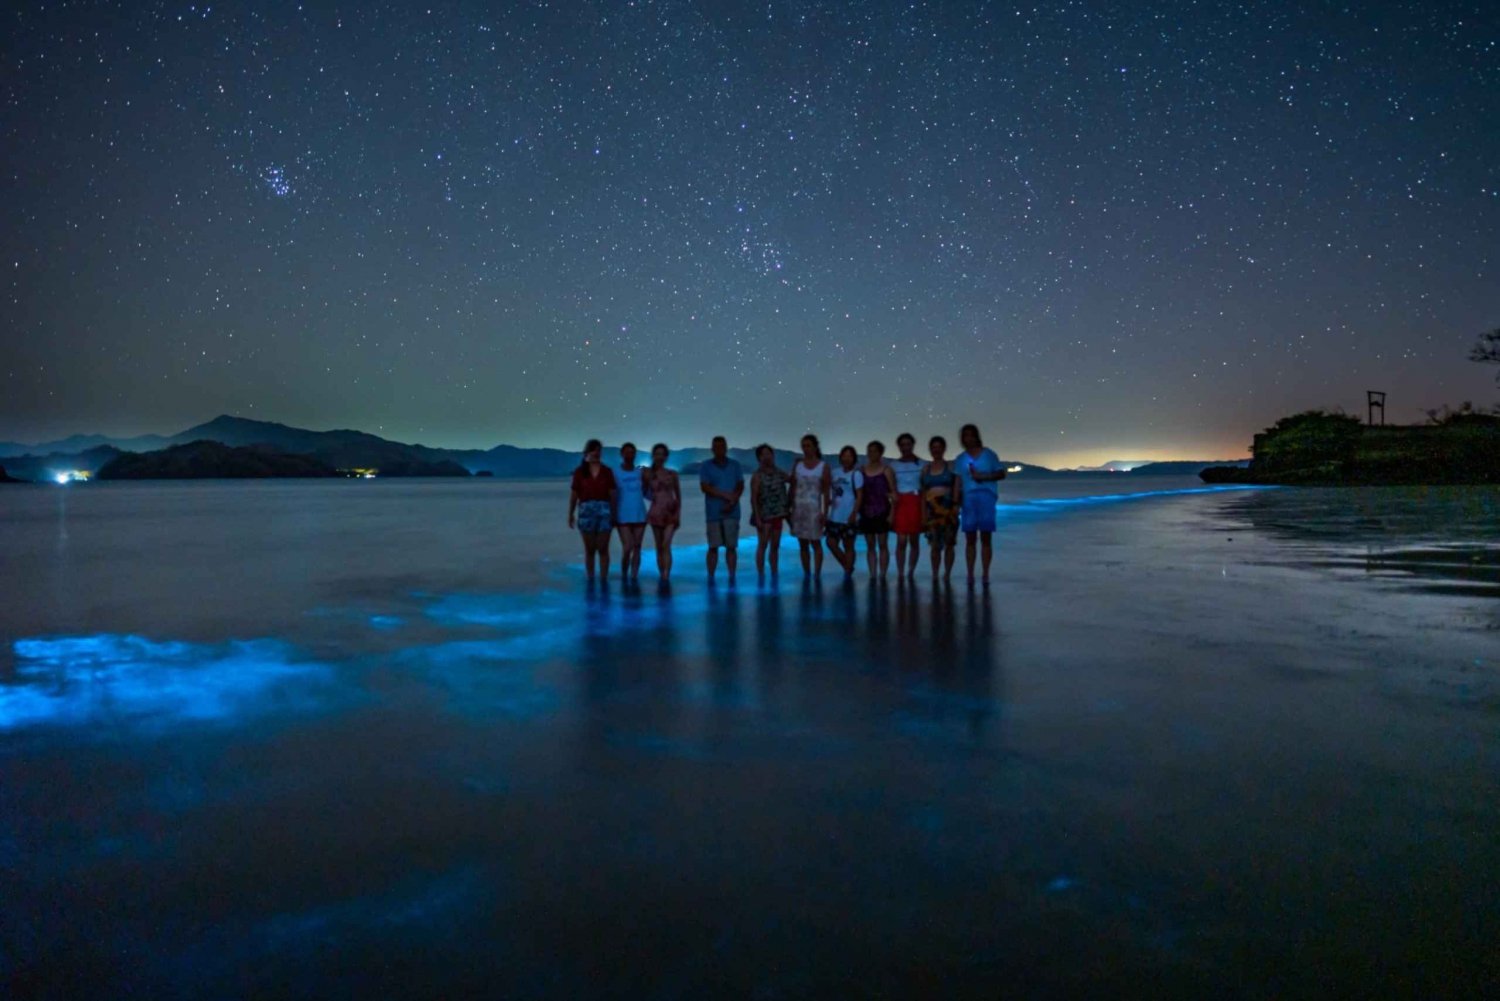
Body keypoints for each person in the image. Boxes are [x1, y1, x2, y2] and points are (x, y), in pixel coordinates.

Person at [955, 423, 1006, 585]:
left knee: (986, 537)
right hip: (968, 500)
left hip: (986, 497)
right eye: (965, 436)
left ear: (976, 436)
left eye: (971, 435)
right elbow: (957, 481)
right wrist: (956, 503)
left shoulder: (989, 455)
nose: (968, 438)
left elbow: (1001, 473)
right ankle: (970, 573)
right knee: (970, 538)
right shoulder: (960, 459)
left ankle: (985, 573)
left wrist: (983, 477)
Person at [567, 439, 617, 581]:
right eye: (594, 450)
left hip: (604, 509)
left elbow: (612, 494)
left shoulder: (607, 471)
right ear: (587, 452)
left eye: (599, 450)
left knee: (603, 548)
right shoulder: (580, 472)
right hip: (586, 510)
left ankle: (603, 579)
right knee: (589, 549)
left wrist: (614, 514)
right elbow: (574, 494)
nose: (597, 453)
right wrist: (570, 514)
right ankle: (590, 578)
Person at [699, 435, 744, 584]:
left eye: (722, 446)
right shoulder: (706, 466)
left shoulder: (735, 465)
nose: (719, 449)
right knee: (713, 547)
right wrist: (725, 495)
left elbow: (740, 485)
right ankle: (711, 577)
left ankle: (732, 576)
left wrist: (733, 500)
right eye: (716, 447)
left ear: (726, 448)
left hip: (732, 512)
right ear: (712, 449)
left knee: (731, 546)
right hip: (713, 512)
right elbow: (704, 487)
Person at [920, 435, 962, 582]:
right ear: (930, 450)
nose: (936, 450)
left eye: (938, 447)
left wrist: (956, 505)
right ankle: (935, 574)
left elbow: (957, 487)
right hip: (932, 509)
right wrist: (923, 514)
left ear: (943, 449)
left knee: (949, 543)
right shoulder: (926, 469)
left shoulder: (950, 467)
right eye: (933, 447)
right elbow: (923, 492)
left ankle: (947, 574)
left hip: (948, 509)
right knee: (934, 545)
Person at [788, 434, 830, 578]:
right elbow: (793, 487)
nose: (806, 449)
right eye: (804, 446)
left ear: (815, 447)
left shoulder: (823, 466)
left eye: (808, 446)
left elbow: (826, 491)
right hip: (799, 509)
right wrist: (790, 508)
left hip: (814, 509)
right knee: (802, 543)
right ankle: (806, 572)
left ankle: (817, 572)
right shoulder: (798, 465)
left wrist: (825, 512)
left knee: (816, 543)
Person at [749, 443, 790, 579]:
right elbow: (753, 498)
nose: (767, 457)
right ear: (759, 458)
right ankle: (760, 574)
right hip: (764, 515)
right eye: (763, 454)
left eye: (769, 454)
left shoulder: (779, 472)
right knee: (763, 545)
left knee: (775, 546)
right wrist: (758, 517)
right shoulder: (757, 476)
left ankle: (774, 572)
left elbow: (793, 480)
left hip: (778, 514)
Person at [859, 441, 897, 579]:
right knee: (870, 545)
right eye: (869, 451)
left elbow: (894, 493)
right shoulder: (862, 471)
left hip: (882, 511)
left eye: (874, 451)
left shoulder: (886, 470)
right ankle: (873, 573)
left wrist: (892, 513)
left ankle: (882, 573)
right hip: (866, 511)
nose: (871, 454)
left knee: (882, 544)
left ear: (880, 453)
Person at [889, 432, 925, 580]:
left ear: (912, 445)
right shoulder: (893, 466)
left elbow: (925, 486)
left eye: (908, 444)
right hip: (901, 502)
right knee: (901, 540)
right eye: (902, 445)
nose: (905, 447)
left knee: (914, 540)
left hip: (916, 501)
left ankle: (911, 571)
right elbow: (889, 486)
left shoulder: (922, 465)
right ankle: (901, 571)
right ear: (899, 446)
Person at [825, 446, 864, 577]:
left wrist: (854, 513)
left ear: (854, 459)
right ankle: (847, 566)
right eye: (844, 455)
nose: (846, 459)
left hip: (849, 515)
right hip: (835, 515)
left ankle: (847, 571)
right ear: (840, 457)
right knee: (830, 543)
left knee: (848, 546)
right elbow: (827, 489)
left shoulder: (856, 474)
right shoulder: (835, 472)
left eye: (850, 456)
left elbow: (859, 495)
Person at [644, 443, 681, 582]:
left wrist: (678, 514)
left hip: (670, 512)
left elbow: (678, 495)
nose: (659, 457)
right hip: (655, 512)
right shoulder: (649, 474)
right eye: (657, 454)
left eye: (662, 454)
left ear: (666, 456)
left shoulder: (672, 474)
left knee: (666, 544)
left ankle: (667, 574)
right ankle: (662, 574)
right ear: (653, 456)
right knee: (659, 546)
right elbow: (642, 490)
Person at [613, 442, 647, 582]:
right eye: (626, 452)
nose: (629, 455)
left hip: (639, 513)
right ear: (622, 454)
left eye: (632, 452)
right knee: (627, 547)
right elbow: (612, 494)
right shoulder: (615, 472)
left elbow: (649, 488)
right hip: (623, 514)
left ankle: (634, 576)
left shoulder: (640, 472)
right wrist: (612, 513)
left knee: (638, 547)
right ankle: (624, 573)